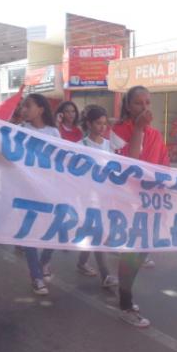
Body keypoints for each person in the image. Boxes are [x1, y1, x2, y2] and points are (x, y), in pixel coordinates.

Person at [111, 85, 170, 327]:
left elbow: (164, 167)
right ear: (127, 106)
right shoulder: (117, 130)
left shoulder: (155, 134)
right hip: (125, 205)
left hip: (150, 206)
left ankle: (125, 295)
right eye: (138, 103)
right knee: (130, 256)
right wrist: (136, 130)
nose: (144, 108)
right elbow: (129, 166)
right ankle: (125, 304)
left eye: (148, 103)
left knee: (139, 254)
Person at [20, 93, 61, 296]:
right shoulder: (20, 130)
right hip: (26, 190)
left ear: (41, 110)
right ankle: (36, 276)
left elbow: (61, 161)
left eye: (27, 106)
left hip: (49, 190)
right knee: (30, 234)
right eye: (22, 106)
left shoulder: (53, 132)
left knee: (52, 231)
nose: (23, 109)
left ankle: (44, 262)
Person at [76, 104, 119, 287]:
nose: (102, 127)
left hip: (106, 197)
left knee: (92, 232)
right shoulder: (80, 146)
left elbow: (116, 170)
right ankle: (106, 275)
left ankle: (81, 262)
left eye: (104, 123)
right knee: (98, 232)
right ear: (89, 123)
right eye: (98, 123)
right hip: (88, 198)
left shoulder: (110, 146)